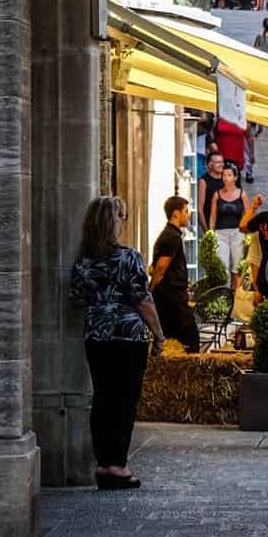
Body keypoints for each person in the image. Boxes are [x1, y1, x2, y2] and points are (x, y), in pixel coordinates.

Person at [70, 195, 165, 489]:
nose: (124, 222)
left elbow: (76, 297)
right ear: (113, 222)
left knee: (102, 398)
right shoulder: (128, 257)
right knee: (125, 399)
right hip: (127, 336)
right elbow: (143, 300)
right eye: (122, 217)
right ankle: (119, 465)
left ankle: (103, 464)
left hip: (96, 335)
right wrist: (159, 335)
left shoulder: (83, 260)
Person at [150, 195, 200, 352]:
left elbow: (153, 267)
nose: (188, 214)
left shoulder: (171, 235)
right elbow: (159, 267)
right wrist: (151, 289)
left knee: (171, 336)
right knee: (191, 337)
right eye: (186, 211)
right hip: (172, 297)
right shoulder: (171, 237)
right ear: (176, 214)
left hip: (170, 295)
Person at [209, 162, 250, 284]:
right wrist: (211, 234)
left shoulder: (242, 194)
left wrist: (247, 236)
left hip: (238, 233)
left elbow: (248, 216)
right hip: (220, 234)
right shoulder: (217, 195)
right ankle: (223, 296)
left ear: (236, 178)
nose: (226, 178)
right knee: (222, 267)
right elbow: (213, 216)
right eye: (224, 175)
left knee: (237, 268)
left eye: (229, 175)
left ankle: (236, 296)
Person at [197, 148, 225, 232]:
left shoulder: (226, 178)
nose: (221, 164)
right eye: (218, 162)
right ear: (210, 165)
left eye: (222, 162)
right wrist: (207, 231)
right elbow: (200, 208)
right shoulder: (204, 181)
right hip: (211, 226)